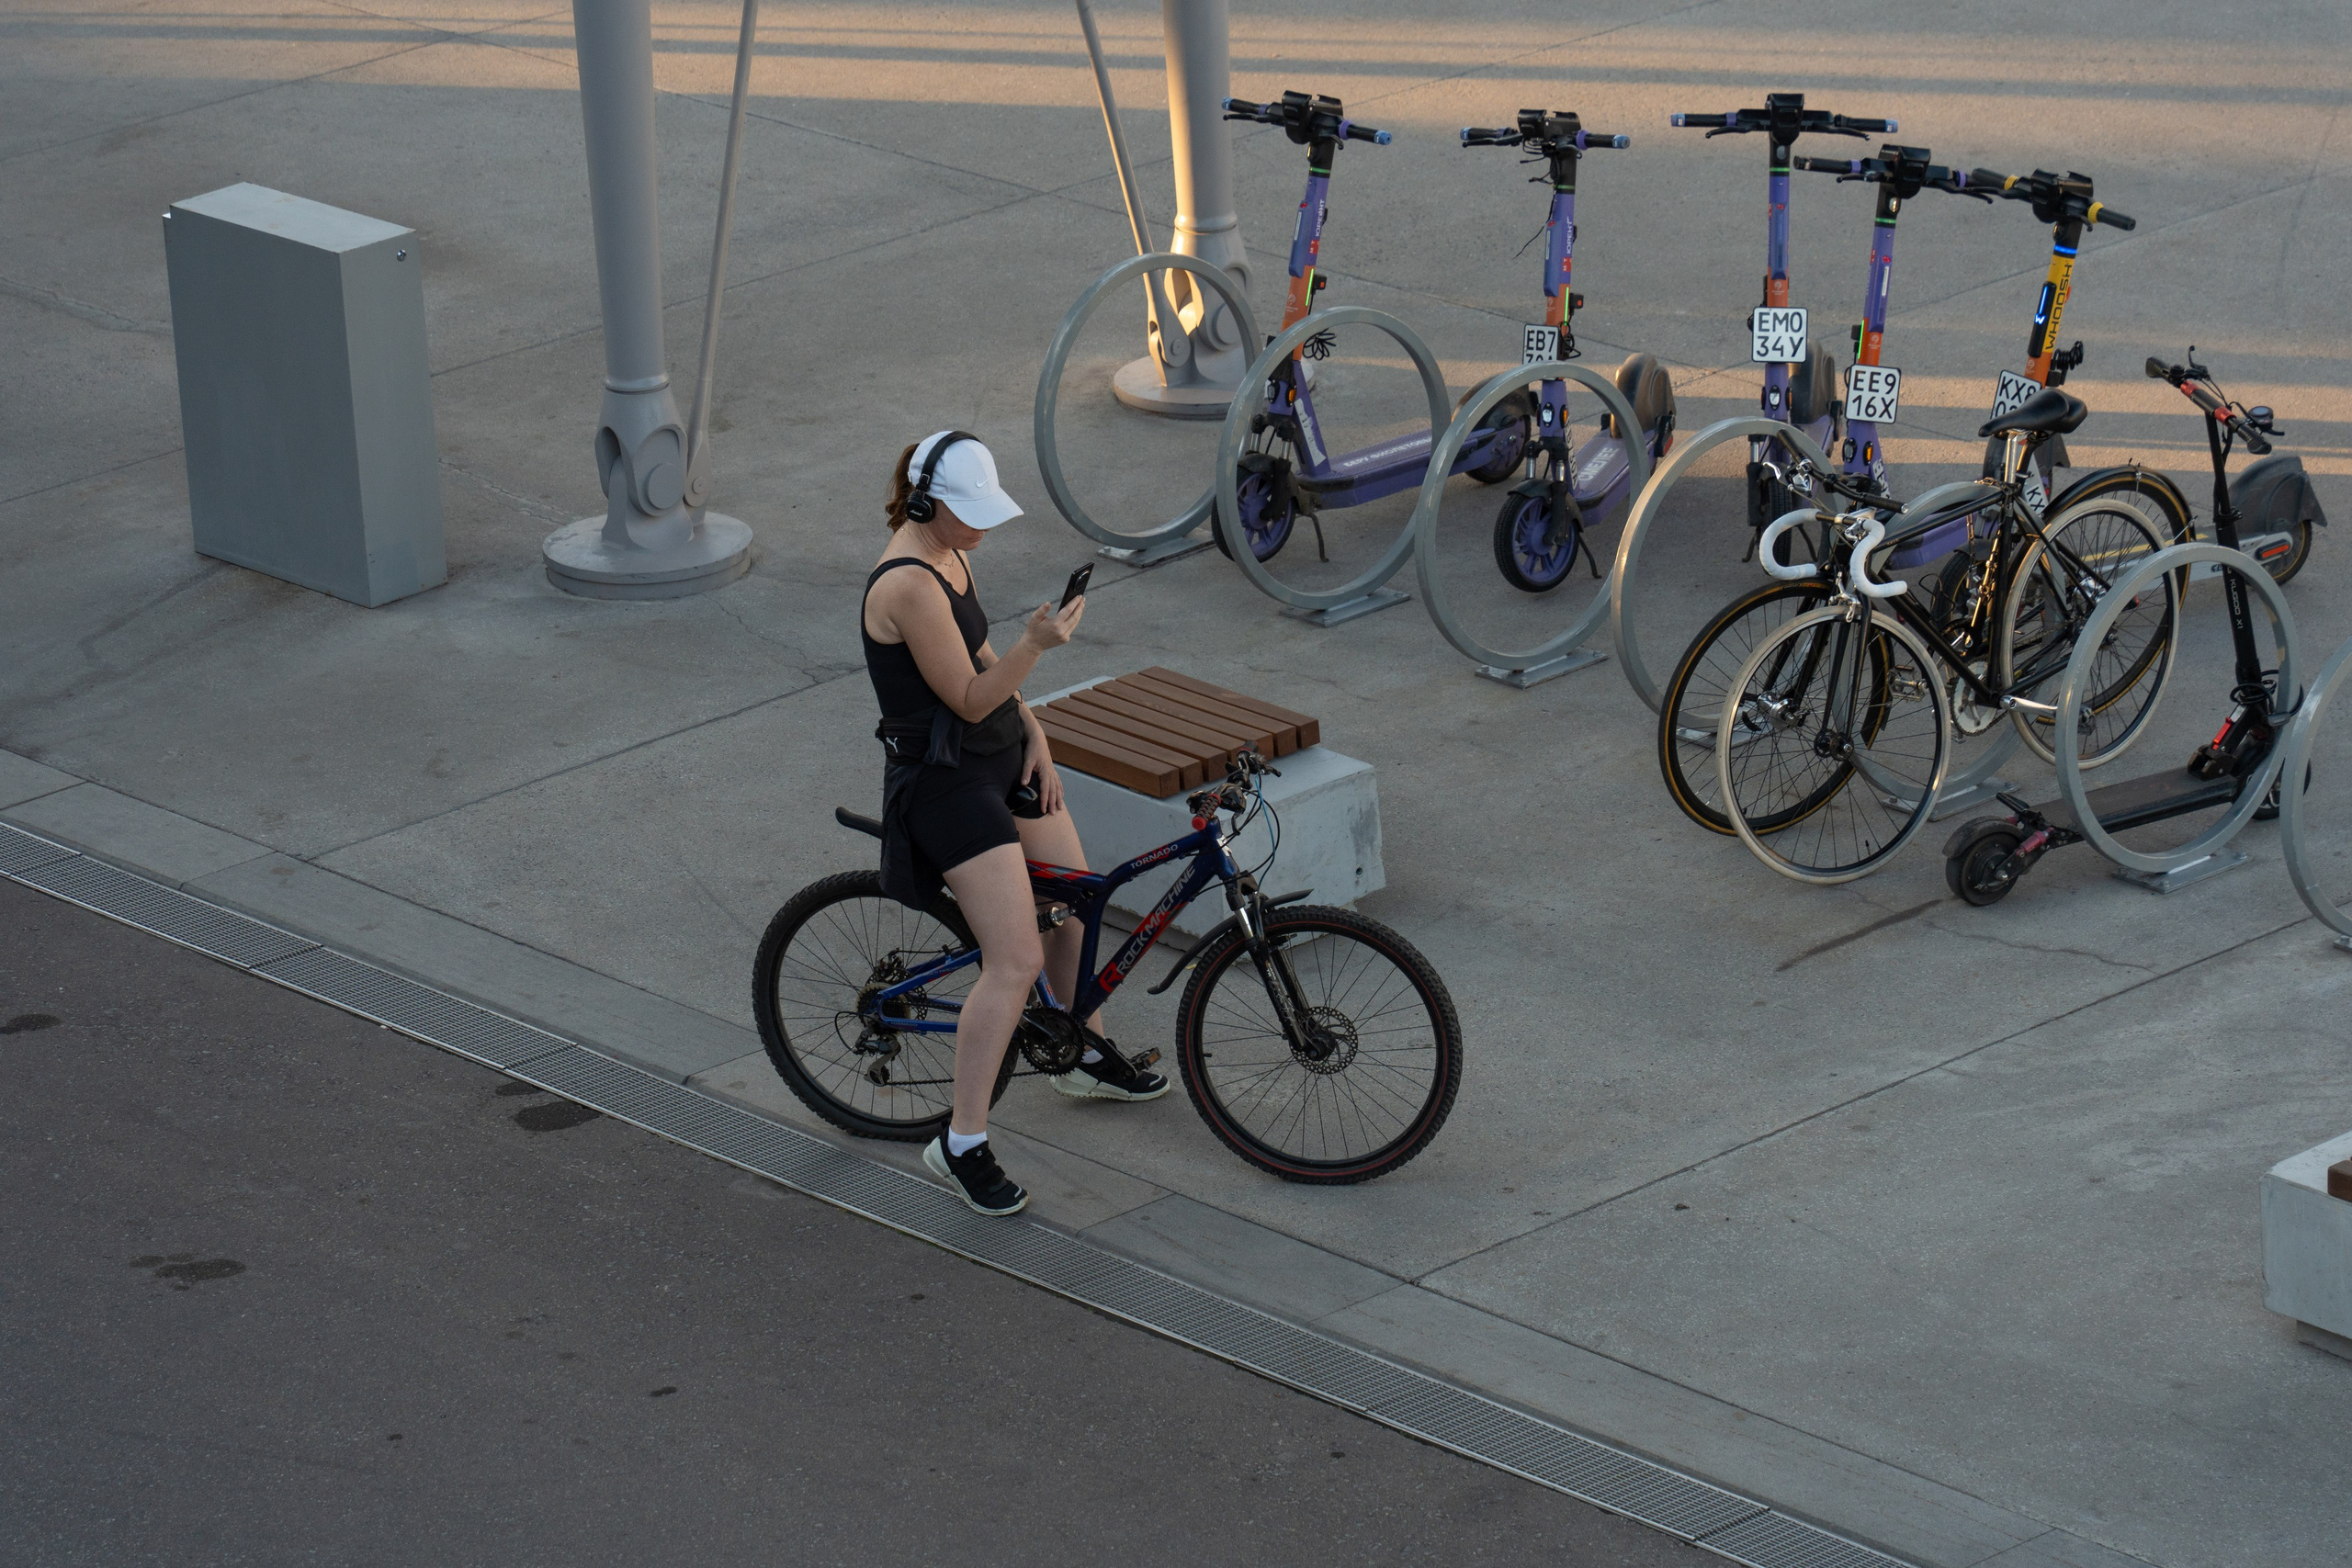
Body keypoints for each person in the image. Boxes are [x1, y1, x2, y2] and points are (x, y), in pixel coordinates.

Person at [863, 431, 1169, 1217]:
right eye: (971, 514)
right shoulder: (906, 584)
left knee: (1080, 901)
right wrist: (1037, 647)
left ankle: (1083, 1052)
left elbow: (981, 657)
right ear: (927, 503)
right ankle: (960, 1143)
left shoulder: (952, 553)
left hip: (997, 751)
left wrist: (1034, 729)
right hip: (944, 784)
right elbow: (965, 696)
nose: (983, 528)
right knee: (1014, 957)